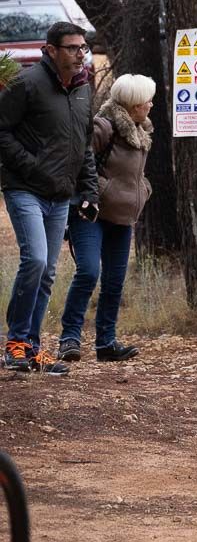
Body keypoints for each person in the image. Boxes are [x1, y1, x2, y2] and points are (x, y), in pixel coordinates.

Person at [0, 22, 96, 375]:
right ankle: (16, 344)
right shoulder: (27, 83)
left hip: (62, 195)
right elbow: (2, 131)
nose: (79, 54)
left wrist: (89, 190)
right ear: (51, 50)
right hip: (25, 189)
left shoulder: (84, 88)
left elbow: (84, 145)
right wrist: (32, 167)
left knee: (48, 272)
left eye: (82, 48)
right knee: (36, 260)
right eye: (72, 48)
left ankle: (32, 349)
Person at [56, 74, 156, 363]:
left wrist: (143, 190)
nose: (151, 104)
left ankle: (106, 343)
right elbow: (78, 162)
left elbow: (137, 175)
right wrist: (104, 190)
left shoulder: (142, 130)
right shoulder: (104, 127)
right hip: (91, 212)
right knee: (88, 272)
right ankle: (69, 339)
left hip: (122, 217)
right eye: (146, 99)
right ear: (132, 103)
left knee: (114, 281)